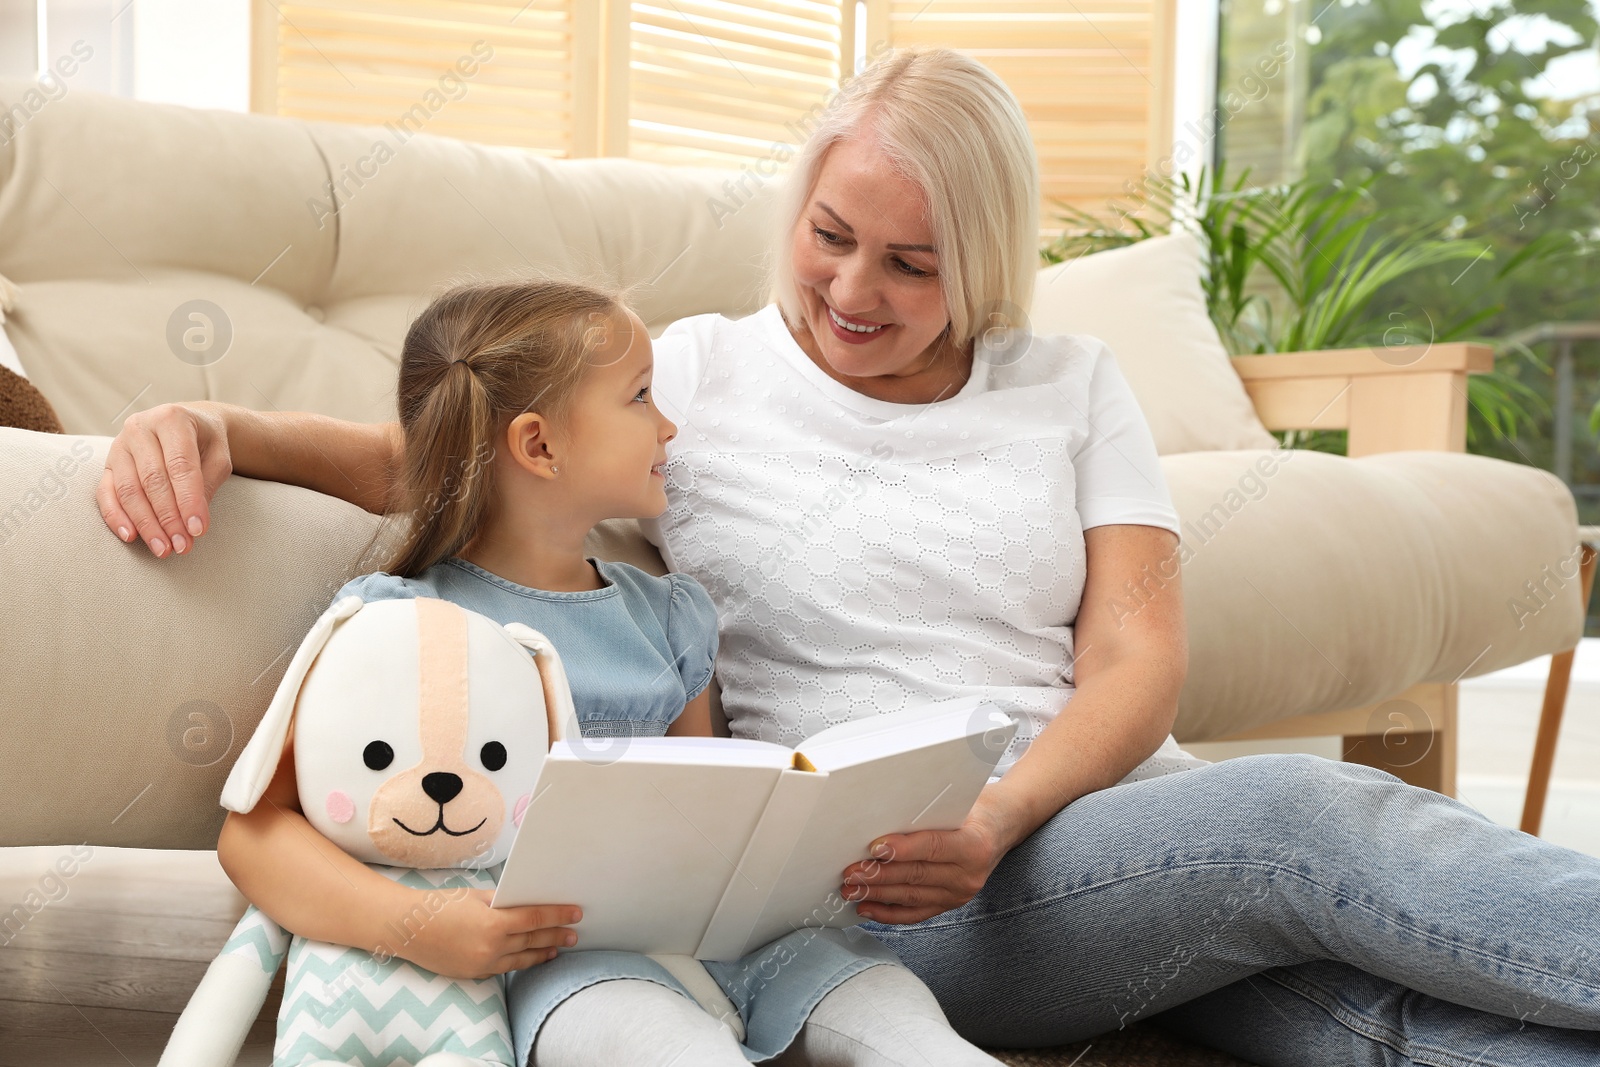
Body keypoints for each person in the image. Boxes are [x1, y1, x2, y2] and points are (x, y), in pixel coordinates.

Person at [100, 47, 1600, 1067]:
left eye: (912, 260)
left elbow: (1140, 656)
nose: (852, 291)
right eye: (831, 236)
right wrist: (222, 423)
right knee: (1317, 824)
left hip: (1088, 832)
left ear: (985, 256)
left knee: (1360, 1014)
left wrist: (1007, 810)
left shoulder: (1069, 384)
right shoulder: (696, 375)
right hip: (883, 895)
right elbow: (469, 447)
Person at [205, 277, 1005, 1067]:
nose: (668, 425)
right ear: (539, 445)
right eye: (640, 397)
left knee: (888, 1009)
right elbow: (254, 832)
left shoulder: (667, 614)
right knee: (663, 1044)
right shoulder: (400, 625)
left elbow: (718, 793)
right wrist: (417, 925)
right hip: (564, 966)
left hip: (732, 938)